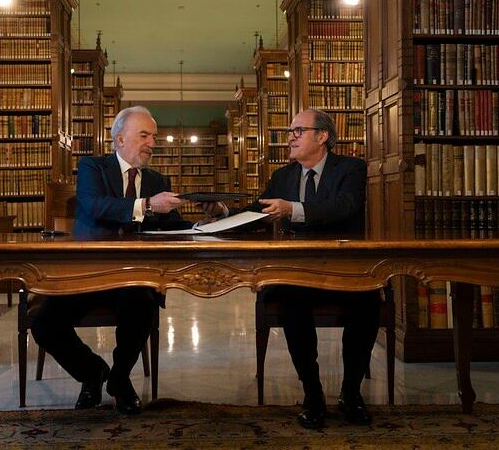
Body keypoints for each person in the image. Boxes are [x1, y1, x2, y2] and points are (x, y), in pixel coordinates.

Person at [206, 108, 379, 429]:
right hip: (298, 271)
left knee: (368, 303)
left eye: (298, 131)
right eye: (290, 131)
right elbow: (257, 212)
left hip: (344, 269)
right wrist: (224, 214)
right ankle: (312, 394)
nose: (290, 137)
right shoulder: (283, 176)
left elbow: (345, 206)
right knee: (290, 303)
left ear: (322, 136)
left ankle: (351, 392)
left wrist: (293, 209)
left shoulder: (351, 168)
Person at [31, 106, 189, 415]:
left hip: (133, 275)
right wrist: (146, 205)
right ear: (120, 139)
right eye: (144, 136)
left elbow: (171, 225)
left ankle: (119, 379)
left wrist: (207, 221)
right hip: (87, 273)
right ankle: (92, 372)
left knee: (142, 304)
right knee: (44, 323)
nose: (152, 144)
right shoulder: (93, 167)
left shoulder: (158, 180)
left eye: (154, 137)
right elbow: (95, 206)